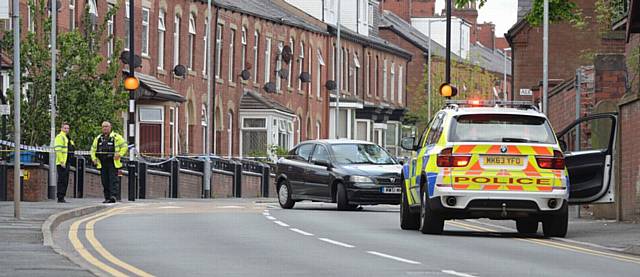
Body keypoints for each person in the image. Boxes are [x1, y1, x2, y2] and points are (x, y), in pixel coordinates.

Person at [90, 121, 127, 203]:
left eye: (107, 126)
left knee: (113, 180)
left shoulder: (116, 137)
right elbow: (92, 149)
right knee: (105, 181)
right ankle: (107, 197)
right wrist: (94, 158)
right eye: (103, 126)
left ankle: (113, 197)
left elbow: (125, 146)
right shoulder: (98, 138)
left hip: (113, 162)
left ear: (110, 127)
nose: (105, 128)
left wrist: (119, 154)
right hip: (102, 163)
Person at [54, 122, 75, 203]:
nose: (66, 130)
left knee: (65, 180)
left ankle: (62, 196)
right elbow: (58, 150)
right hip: (62, 162)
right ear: (61, 129)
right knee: (62, 180)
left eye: (68, 128)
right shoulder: (60, 137)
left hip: (67, 161)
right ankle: (60, 197)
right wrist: (62, 161)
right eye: (65, 128)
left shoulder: (67, 138)